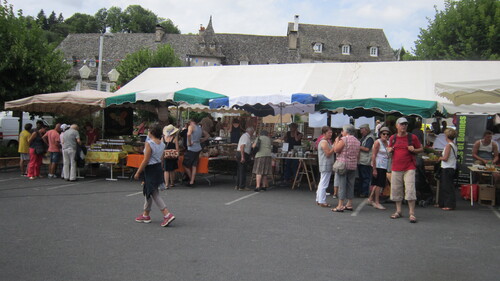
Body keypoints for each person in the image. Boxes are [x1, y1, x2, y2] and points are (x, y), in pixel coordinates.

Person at [134, 124, 175, 227]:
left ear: (151, 133)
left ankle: (167, 214)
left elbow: (146, 159)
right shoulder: (162, 144)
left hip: (150, 169)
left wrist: (138, 171)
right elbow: (161, 159)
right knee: (148, 191)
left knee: (153, 192)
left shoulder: (149, 143)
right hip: (157, 168)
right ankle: (146, 214)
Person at [386, 117, 423, 223]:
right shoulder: (393, 138)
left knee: (410, 189)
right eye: (402, 124)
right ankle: (398, 211)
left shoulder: (412, 137)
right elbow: (389, 148)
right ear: (397, 126)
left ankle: (412, 213)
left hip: (409, 167)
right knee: (396, 189)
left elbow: (421, 149)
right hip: (396, 167)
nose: (404, 126)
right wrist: (389, 149)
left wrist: (414, 150)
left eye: (405, 124)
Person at [331, 124, 360, 213]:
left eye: (342, 131)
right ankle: (349, 203)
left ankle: (340, 205)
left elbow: (336, 150)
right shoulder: (357, 141)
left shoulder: (344, 139)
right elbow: (358, 154)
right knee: (351, 184)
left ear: (346, 131)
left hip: (343, 164)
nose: (341, 132)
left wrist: (336, 141)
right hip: (353, 164)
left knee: (342, 184)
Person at [183, 117, 209, 187]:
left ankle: (191, 179)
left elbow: (188, 134)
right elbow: (207, 135)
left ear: (192, 121)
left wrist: (189, 142)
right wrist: (202, 140)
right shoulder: (200, 128)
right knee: (194, 165)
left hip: (191, 148)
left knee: (185, 164)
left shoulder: (191, 127)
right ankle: (192, 180)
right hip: (198, 147)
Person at [369, 126, 391, 210]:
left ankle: (371, 198)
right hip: (378, 165)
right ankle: (377, 202)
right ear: (380, 134)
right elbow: (374, 155)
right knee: (378, 184)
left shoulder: (388, 143)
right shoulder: (377, 142)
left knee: (379, 183)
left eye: (387, 134)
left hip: (384, 165)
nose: (385, 135)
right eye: (383, 134)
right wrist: (374, 169)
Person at [437, 128, 458, 211]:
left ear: (447, 136)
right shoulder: (454, 145)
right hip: (452, 167)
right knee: (447, 186)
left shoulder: (448, 145)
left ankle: (449, 204)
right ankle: (443, 203)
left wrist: (439, 158)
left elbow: (445, 158)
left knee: (447, 187)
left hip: (447, 167)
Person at [315, 126, 335, 207]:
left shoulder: (327, 141)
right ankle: (322, 201)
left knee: (322, 182)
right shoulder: (324, 142)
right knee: (324, 183)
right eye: (329, 133)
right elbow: (328, 153)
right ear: (324, 133)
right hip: (325, 164)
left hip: (326, 164)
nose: (331, 134)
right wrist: (334, 147)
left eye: (331, 132)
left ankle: (319, 199)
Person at [357, 124, 375, 197]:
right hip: (362, 160)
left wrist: (358, 146)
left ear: (366, 129)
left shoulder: (370, 138)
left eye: (362, 129)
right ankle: (361, 191)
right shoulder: (364, 137)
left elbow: (367, 149)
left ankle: (365, 192)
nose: (361, 131)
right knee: (361, 177)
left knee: (365, 177)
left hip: (366, 161)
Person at [163, 124, 179, 188]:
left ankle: (166, 184)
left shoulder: (163, 138)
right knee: (172, 169)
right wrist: (178, 155)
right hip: (173, 155)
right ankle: (172, 182)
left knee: (166, 170)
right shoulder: (174, 138)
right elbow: (177, 148)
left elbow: (161, 147)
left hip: (165, 155)